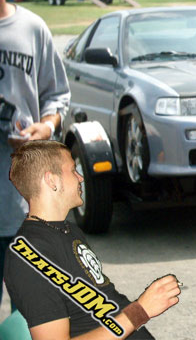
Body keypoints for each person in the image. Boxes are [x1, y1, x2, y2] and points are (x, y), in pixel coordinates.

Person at [4, 140, 182, 338]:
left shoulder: (68, 230)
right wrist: (140, 311)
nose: (80, 178)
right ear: (52, 180)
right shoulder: (28, 257)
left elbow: (100, 305)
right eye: (73, 171)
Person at [0, 0, 71, 312]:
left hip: (22, 203)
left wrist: (45, 127)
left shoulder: (31, 28)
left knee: (30, 316)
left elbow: (57, 95)